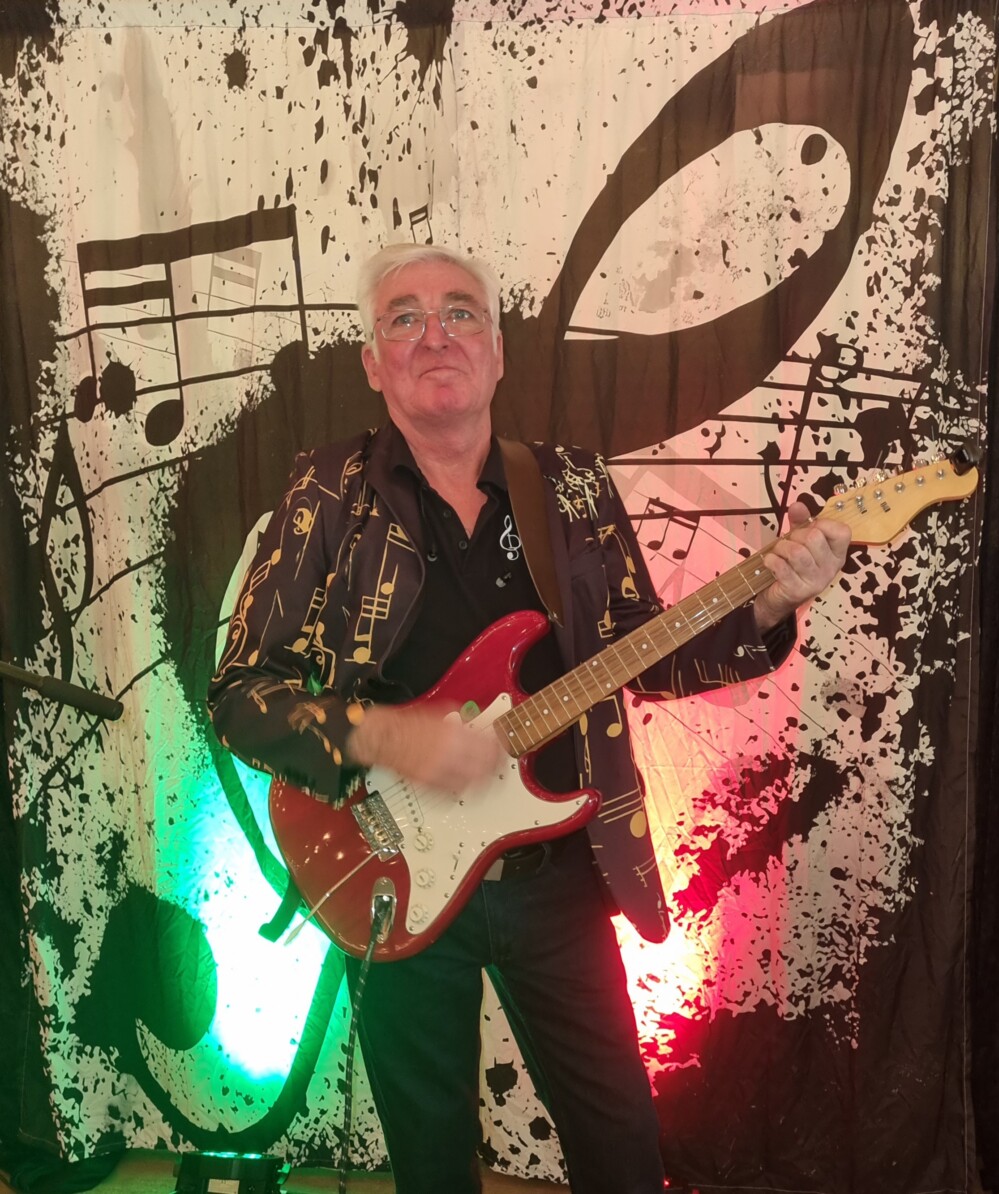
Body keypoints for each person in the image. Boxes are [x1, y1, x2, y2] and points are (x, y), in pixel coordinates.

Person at [208, 243, 850, 1194]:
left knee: (622, 1147)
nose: (437, 335)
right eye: (405, 317)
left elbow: (642, 651)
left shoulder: (573, 487)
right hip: (390, 869)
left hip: (558, 878)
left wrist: (764, 606)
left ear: (499, 351)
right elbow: (238, 697)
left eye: (462, 313)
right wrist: (383, 736)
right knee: (432, 1166)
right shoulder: (326, 491)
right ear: (372, 362)